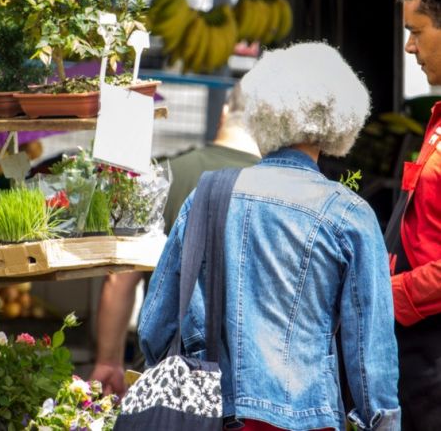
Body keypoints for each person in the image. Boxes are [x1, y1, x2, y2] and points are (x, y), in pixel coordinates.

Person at [138, 42, 400, 431]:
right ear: (340, 120)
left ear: (262, 112)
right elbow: (369, 358)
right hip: (310, 418)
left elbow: (154, 327)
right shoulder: (349, 215)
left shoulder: (207, 194)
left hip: (213, 413)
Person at [90, 84, 260, 397]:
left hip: (165, 378)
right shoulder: (277, 190)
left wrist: (108, 360)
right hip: (247, 386)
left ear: (224, 112)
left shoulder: (168, 176)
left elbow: (121, 280)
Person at [385, 0, 441, 431]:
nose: (408, 46)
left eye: (417, 31)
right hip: (418, 352)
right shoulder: (437, 121)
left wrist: (390, 293)